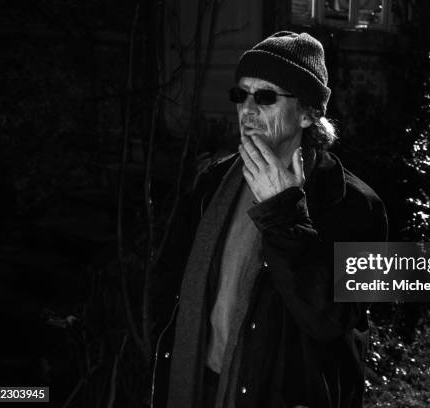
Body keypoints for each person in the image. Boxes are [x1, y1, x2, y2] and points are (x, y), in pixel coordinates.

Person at [151, 31, 388, 408]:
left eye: (265, 97)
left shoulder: (353, 204)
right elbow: (171, 286)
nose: (247, 108)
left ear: (309, 113)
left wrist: (284, 213)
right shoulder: (213, 183)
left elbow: (330, 318)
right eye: (240, 94)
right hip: (200, 385)